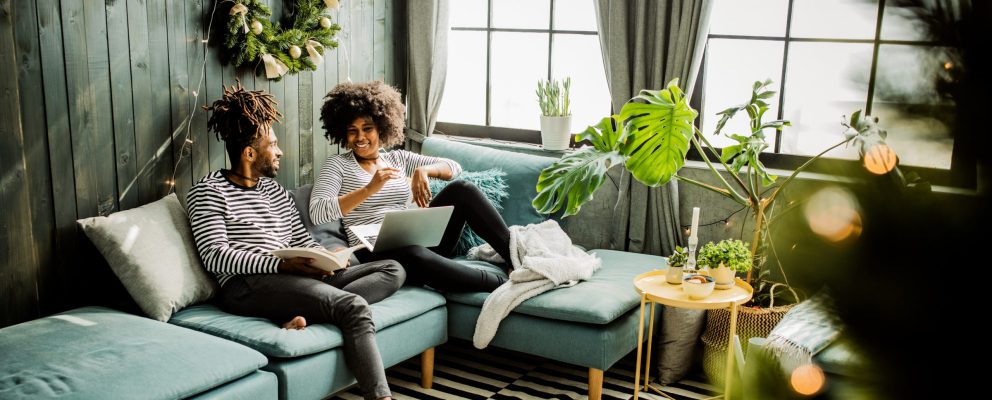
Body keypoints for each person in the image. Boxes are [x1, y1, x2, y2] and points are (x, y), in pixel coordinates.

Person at [186, 82, 402, 400]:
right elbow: (216, 255)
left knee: (392, 269)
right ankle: (380, 396)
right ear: (249, 153)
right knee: (353, 306)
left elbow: (300, 238)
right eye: (272, 145)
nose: (280, 151)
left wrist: (323, 258)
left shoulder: (275, 191)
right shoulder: (208, 191)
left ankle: (310, 310)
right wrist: (282, 264)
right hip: (248, 284)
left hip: (292, 275)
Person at [310, 80, 511, 292]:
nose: (360, 137)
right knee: (414, 253)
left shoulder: (398, 159)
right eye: (352, 131)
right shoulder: (337, 165)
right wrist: (369, 189)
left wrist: (423, 170)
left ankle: (515, 260)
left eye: (367, 129)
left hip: (417, 240)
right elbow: (318, 212)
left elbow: (454, 167)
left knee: (463, 190)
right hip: (375, 251)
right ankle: (502, 285)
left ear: (382, 127)